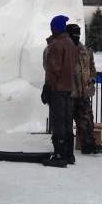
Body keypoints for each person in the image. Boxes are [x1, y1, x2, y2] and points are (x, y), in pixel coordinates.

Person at [41, 15, 76, 168]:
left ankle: (59, 154)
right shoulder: (70, 44)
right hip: (69, 87)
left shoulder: (56, 45)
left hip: (57, 88)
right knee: (68, 120)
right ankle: (69, 154)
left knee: (58, 121)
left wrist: (47, 87)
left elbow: (53, 69)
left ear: (55, 28)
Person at [66, 24, 100, 155]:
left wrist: (92, 79)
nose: (77, 37)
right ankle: (65, 147)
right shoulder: (66, 49)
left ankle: (88, 144)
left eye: (78, 34)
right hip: (69, 92)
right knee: (66, 121)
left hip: (84, 92)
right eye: (74, 34)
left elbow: (91, 66)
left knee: (86, 119)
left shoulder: (85, 50)